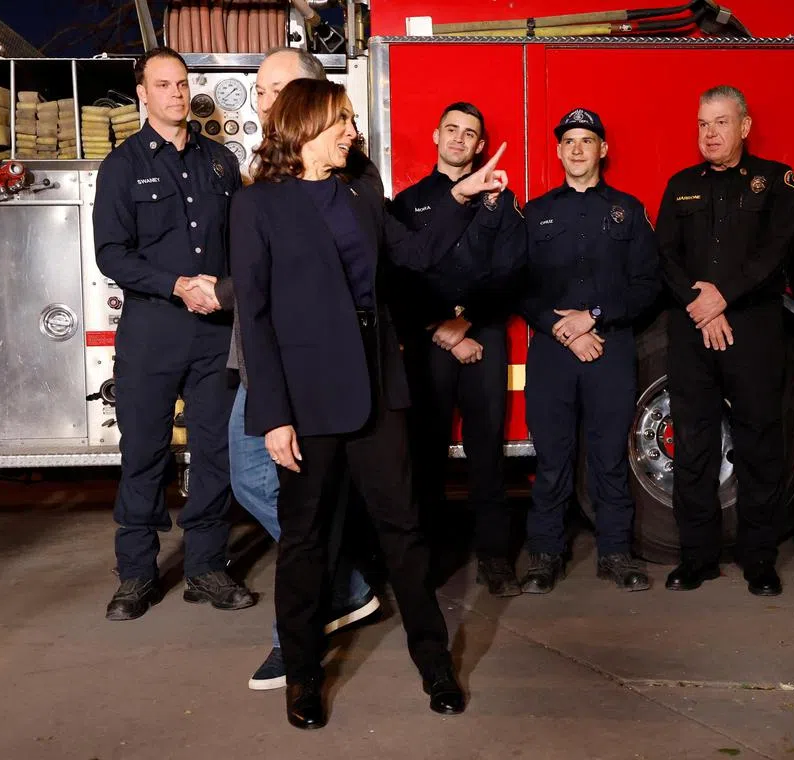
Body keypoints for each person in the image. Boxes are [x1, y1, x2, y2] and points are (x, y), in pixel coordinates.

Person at [230, 78, 508, 729]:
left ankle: (435, 663)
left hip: (378, 391)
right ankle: (304, 676)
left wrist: (462, 200)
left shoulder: (359, 192)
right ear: (305, 127)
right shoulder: (255, 207)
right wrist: (272, 414)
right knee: (303, 542)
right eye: (343, 122)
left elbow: (412, 255)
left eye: (352, 120)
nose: (354, 132)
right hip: (305, 401)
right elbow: (256, 317)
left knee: (405, 533)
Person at [200, 47, 380, 692]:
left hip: (310, 372)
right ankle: (345, 587)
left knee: (295, 500)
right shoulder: (263, 179)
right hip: (260, 360)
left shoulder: (348, 179)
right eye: (260, 88)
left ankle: (296, 635)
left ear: (310, 99)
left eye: (276, 88)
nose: (263, 99)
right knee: (258, 483)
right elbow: (262, 274)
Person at [93, 46, 253, 621]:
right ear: (143, 93)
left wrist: (228, 291)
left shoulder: (220, 164)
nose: (177, 94)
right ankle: (136, 575)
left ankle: (206, 567)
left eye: (182, 84)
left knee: (215, 451)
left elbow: (242, 244)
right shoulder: (122, 165)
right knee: (143, 453)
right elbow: (111, 253)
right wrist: (175, 283)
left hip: (215, 334)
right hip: (152, 331)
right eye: (163, 85)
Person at [656, 85, 794, 597]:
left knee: (760, 445)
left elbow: (777, 252)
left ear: (744, 126)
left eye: (720, 122)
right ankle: (697, 558)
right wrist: (702, 301)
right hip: (693, 331)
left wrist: (724, 297)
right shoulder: (680, 185)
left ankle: (759, 559)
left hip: (754, 332)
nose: (709, 133)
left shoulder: (776, 181)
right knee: (693, 444)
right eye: (702, 124)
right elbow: (665, 255)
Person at [518, 108, 660, 595]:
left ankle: (616, 553)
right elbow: (520, 285)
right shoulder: (535, 212)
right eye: (569, 141)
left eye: (587, 140)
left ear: (603, 150)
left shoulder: (628, 209)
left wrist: (592, 317)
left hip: (610, 347)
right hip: (554, 352)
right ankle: (544, 554)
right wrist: (564, 330)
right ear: (558, 151)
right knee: (553, 458)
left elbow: (647, 285)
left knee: (609, 456)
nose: (577, 149)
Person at [389, 102, 527, 597]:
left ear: (480, 145)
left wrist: (464, 323)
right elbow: (398, 276)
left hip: (482, 336)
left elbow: (513, 272)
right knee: (424, 452)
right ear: (435, 136)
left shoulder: (501, 201)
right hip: (429, 341)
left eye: (470, 133)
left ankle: (494, 557)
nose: (459, 139)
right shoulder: (406, 204)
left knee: (487, 451)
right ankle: (429, 557)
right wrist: (438, 326)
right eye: (451, 129)